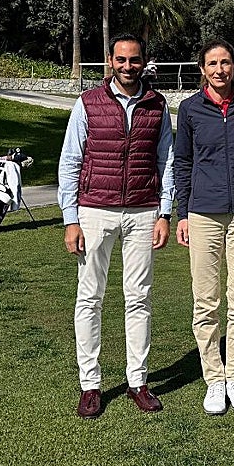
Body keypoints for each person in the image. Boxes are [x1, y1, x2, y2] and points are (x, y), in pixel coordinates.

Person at [58, 33, 174, 419]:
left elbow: (166, 161)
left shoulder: (157, 105)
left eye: (135, 60)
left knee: (138, 298)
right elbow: (71, 161)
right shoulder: (88, 103)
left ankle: (137, 381)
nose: (128, 66)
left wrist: (164, 212)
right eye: (121, 60)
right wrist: (70, 218)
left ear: (144, 62)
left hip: (143, 211)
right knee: (90, 298)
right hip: (95, 211)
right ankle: (90, 384)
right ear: (110, 61)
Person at [174, 40, 234, 416]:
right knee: (206, 301)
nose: (219, 70)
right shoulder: (190, 110)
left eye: (226, 62)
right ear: (202, 69)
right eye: (212, 63)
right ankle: (214, 379)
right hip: (203, 214)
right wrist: (182, 212)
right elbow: (182, 163)